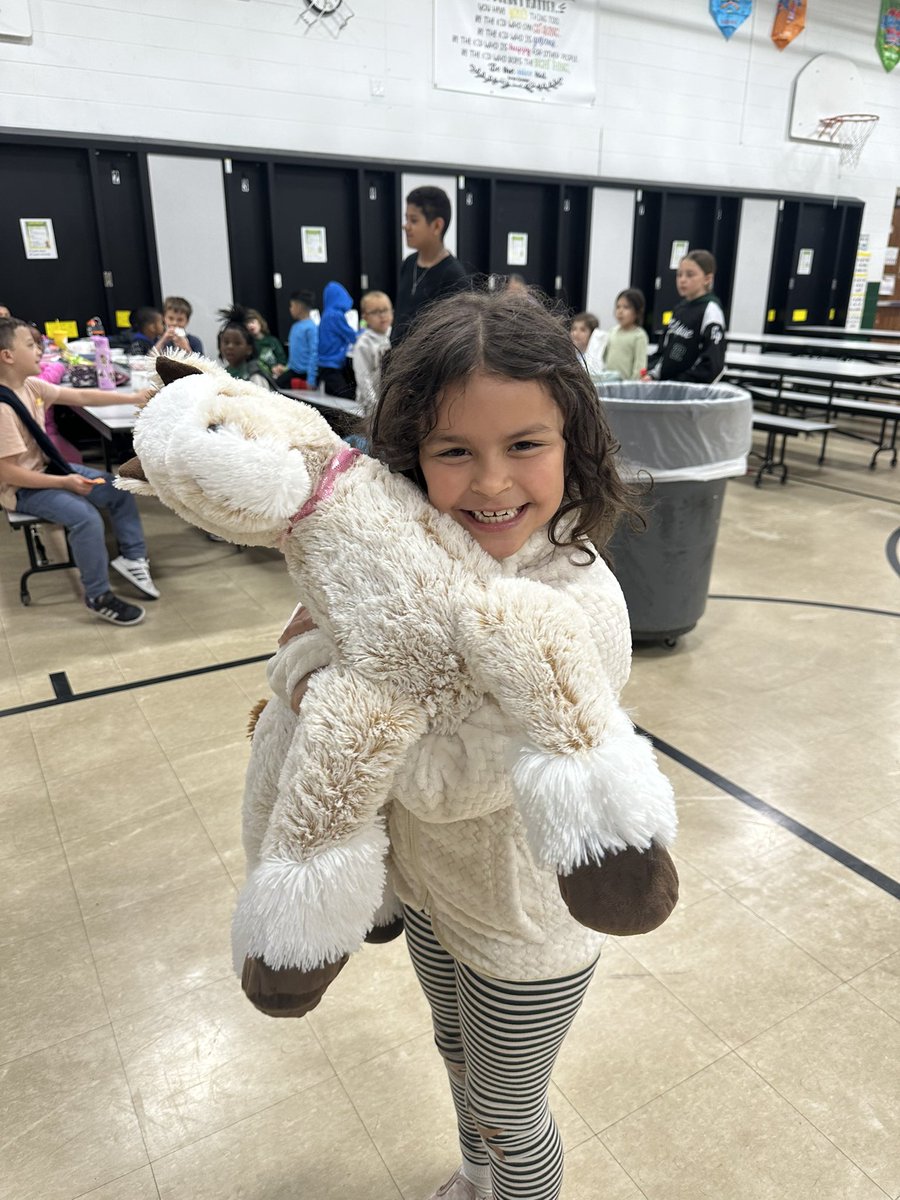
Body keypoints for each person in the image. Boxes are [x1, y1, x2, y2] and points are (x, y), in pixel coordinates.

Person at [272, 290, 645, 1200]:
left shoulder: (575, 607)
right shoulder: (415, 568)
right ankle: (476, 1181)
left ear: (574, 445)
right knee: (454, 1054)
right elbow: (301, 639)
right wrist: (311, 675)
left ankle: (504, 1178)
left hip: (527, 929)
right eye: (454, 452)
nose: (490, 483)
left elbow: (450, 784)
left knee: (514, 1113)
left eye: (525, 445)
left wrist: (334, 696)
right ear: (407, 461)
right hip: (436, 894)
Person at [0, 316, 158, 625]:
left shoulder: (30, 385)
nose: (40, 351)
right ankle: (98, 595)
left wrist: (133, 397)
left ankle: (133, 558)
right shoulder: (3, 409)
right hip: (26, 489)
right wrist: (65, 482)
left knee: (114, 485)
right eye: (31, 345)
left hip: (51, 470)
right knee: (85, 518)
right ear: (7, 356)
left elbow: (82, 396)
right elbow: (8, 474)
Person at [390, 186, 468, 346]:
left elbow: (452, 339)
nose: (406, 226)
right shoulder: (409, 263)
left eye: (414, 220)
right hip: (398, 360)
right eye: (406, 219)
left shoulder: (454, 276)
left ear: (437, 226)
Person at [648, 250, 726, 384]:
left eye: (690, 275)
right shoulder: (679, 309)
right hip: (666, 386)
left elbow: (712, 364)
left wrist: (680, 382)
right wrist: (652, 373)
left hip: (689, 392)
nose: (682, 280)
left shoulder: (711, 311)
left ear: (707, 279)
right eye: (679, 275)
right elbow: (664, 349)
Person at [351, 289, 392, 411]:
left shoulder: (395, 335)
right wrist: (375, 405)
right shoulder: (363, 344)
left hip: (390, 403)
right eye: (375, 312)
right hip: (370, 407)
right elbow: (363, 378)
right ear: (365, 317)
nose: (382, 315)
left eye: (385, 310)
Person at [317, 281, 359, 398]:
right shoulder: (335, 315)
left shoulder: (326, 314)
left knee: (332, 396)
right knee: (347, 396)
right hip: (331, 364)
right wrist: (364, 333)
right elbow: (351, 335)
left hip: (324, 364)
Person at [216, 307, 274, 389]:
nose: (230, 346)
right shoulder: (221, 373)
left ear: (249, 349)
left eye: (237, 343)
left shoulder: (255, 376)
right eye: (226, 342)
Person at [604, 288, 650, 381]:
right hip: (609, 382)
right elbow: (604, 357)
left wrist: (632, 384)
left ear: (637, 312)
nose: (620, 311)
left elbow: (640, 365)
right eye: (618, 307)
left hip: (626, 386)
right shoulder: (612, 332)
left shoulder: (639, 335)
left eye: (626, 307)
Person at [284, 290, 318, 390]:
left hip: (304, 373)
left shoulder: (311, 328)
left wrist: (311, 380)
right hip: (293, 371)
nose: (290, 309)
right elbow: (293, 353)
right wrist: (286, 368)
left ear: (299, 307)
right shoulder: (295, 327)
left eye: (292, 306)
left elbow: (314, 353)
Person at [244, 309, 287, 378]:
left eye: (252, 322)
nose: (250, 325)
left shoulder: (272, 341)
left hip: (278, 374)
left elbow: (282, 358)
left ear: (259, 322)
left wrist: (279, 367)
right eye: (247, 324)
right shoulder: (249, 345)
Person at [569, 311, 608, 375]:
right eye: (574, 329)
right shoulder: (569, 355)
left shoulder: (598, 357)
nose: (576, 333)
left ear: (592, 334)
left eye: (583, 330)